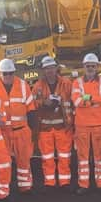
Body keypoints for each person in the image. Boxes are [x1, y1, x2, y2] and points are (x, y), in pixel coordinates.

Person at [71, 53, 101, 195]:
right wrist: (94, 100)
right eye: (88, 66)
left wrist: (87, 98)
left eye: (93, 66)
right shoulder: (77, 82)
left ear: (97, 67)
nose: (90, 68)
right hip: (82, 125)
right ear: (84, 67)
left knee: (100, 155)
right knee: (82, 157)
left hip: (98, 124)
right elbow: (76, 101)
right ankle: (83, 185)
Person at [33, 56, 74, 191]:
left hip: (63, 126)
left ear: (56, 68)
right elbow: (33, 104)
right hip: (45, 127)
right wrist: (44, 103)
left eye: (51, 68)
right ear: (43, 70)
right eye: (46, 69)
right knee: (47, 157)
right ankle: (49, 183)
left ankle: (65, 182)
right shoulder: (38, 86)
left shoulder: (67, 84)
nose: (49, 71)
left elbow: (74, 102)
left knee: (64, 156)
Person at [0, 58, 35, 194]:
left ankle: (25, 188)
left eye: (10, 73)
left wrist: (31, 128)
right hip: (2, 132)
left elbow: (31, 108)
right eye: (5, 74)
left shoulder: (23, 85)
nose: (8, 76)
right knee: (3, 163)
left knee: (24, 161)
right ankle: (3, 189)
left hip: (21, 131)